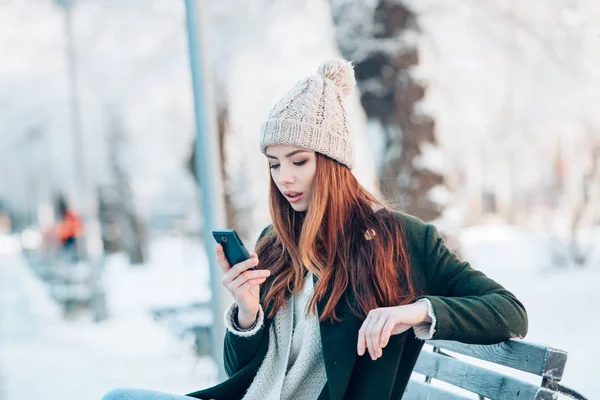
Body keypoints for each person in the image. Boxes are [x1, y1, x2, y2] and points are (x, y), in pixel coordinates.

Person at [102, 59, 527, 400]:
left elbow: (510, 311)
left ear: (332, 162)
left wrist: (414, 311)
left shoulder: (401, 239)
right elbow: (242, 376)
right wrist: (248, 312)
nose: (284, 177)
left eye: (298, 161)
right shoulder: (276, 242)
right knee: (119, 395)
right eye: (274, 164)